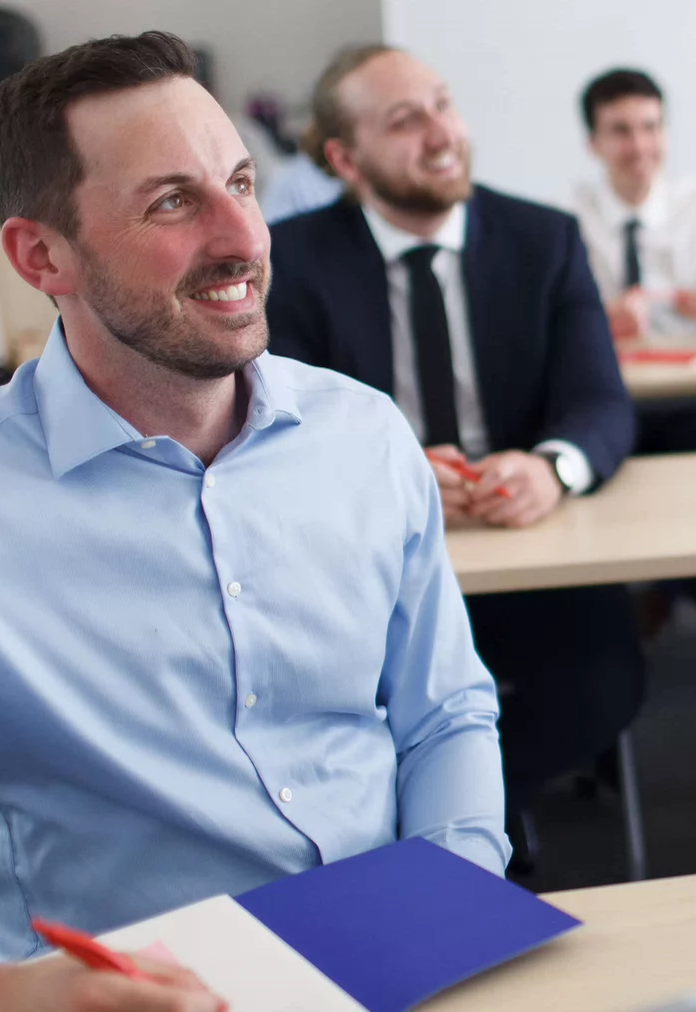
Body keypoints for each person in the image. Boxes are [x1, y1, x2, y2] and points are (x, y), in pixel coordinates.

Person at [0, 32, 508, 1012]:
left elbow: (446, 713)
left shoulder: (363, 434)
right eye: (173, 202)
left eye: (240, 182)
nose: (243, 238)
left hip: (406, 961)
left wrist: (457, 895)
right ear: (41, 254)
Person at [265, 46, 646, 828]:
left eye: (444, 105)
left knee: (604, 681)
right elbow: (276, 421)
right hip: (365, 557)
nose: (441, 134)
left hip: (524, 538)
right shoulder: (292, 260)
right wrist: (386, 473)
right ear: (345, 158)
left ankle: (455, 829)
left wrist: (553, 469)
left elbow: (601, 402)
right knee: (322, 705)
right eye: (405, 120)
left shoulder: (545, 238)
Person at [569, 68, 696, 456]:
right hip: (605, 402)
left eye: (651, 127)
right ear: (593, 144)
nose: (640, 145)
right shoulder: (566, 222)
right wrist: (592, 324)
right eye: (621, 131)